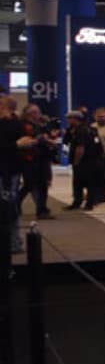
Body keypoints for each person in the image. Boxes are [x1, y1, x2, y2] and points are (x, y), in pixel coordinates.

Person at [18, 104, 54, 221]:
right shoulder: (24, 125)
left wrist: (47, 140)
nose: (39, 114)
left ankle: (42, 209)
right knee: (30, 184)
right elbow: (27, 140)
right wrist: (41, 139)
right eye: (37, 112)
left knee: (41, 184)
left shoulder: (39, 125)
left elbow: (44, 137)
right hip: (30, 159)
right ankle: (17, 204)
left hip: (41, 158)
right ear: (31, 114)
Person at [0, 98, 23, 253]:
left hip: (8, 172)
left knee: (8, 207)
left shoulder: (14, 125)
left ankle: (14, 243)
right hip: (9, 171)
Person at [66, 110, 101, 211]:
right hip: (93, 160)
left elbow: (80, 147)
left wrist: (76, 161)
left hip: (83, 162)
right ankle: (89, 202)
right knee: (90, 183)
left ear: (75, 119)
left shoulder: (80, 131)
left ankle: (79, 202)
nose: (68, 120)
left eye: (69, 118)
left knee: (78, 183)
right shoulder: (92, 129)